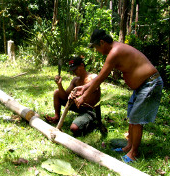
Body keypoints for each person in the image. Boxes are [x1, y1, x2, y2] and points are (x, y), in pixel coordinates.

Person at [72, 29, 163, 163]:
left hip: (150, 83)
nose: (96, 50)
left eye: (96, 47)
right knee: (132, 115)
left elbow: (100, 78)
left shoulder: (114, 52)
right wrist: (84, 87)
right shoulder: (115, 50)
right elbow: (98, 79)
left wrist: (84, 97)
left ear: (102, 42)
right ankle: (129, 147)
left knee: (136, 118)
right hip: (142, 85)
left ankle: (134, 153)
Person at [45, 57, 105, 136]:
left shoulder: (93, 77)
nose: (74, 72)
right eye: (72, 70)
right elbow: (64, 96)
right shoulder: (75, 80)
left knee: (74, 128)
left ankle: (94, 123)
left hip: (89, 110)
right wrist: (59, 85)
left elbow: (95, 86)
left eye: (75, 69)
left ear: (82, 65)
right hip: (78, 106)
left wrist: (81, 95)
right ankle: (56, 117)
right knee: (57, 93)